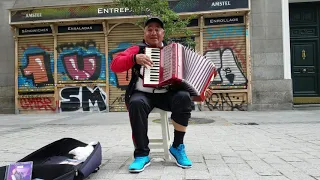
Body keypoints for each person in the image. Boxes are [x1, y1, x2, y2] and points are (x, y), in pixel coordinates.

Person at [110, 17, 193, 173]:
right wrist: (134, 58)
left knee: (183, 97)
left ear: (163, 33)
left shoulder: (174, 51)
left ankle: (177, 147)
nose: (153, 32)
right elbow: (115, 65)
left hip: (166, 95)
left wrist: (200, 92)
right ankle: (141, 154)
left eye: (157, 29)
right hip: (143, 95)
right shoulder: (137, 49)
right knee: (136, 103)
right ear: (145, 32)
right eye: (149, 29)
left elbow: (188, 77)